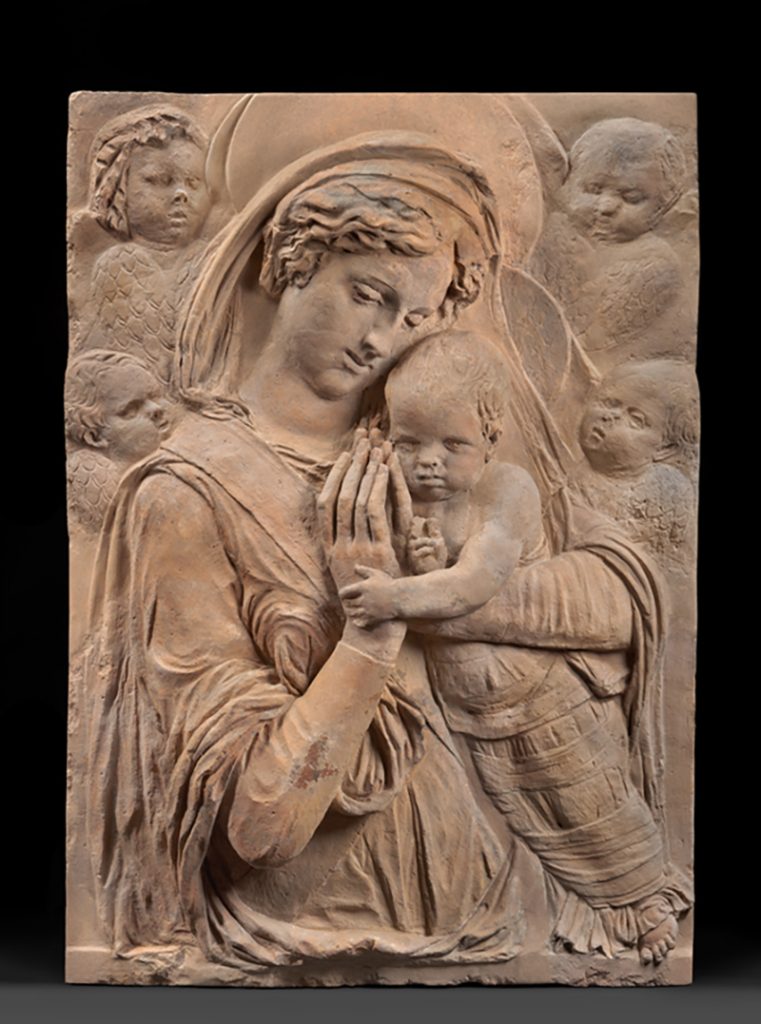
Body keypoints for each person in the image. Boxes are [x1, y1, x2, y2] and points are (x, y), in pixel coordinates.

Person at [83, 132, 682, 980]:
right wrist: (371, 634)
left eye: (414, 317)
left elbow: (622, 603)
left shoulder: (432, 441)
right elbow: (258, 825)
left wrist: (437, 597)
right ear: (288, 264)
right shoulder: (188, 491)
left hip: (485, 902)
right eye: (367, 294)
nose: (380, 339)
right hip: (300, 924)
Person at [341, 333, 691, 964]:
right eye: (409, 443)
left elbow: (476, 583)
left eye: (453, 445)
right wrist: (424, 565)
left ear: (491, 438)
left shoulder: (507, 490)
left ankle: (645, 900)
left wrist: (397, 598)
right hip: (477, 715)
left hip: (542, 696)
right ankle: (588, 909)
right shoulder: (402, 497)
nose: (428, 462)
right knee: (532, 814)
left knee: (590, 797)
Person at [529, 118, 688, 370]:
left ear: (663, 206)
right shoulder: (548, 230)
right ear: (569, 183)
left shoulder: (655, 264)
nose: (606, 206)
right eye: (593, 189)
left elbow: (589, 336)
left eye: (631, 197)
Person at [80, 107, 212, 385]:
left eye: (193, 182)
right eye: (160, 180)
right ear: (119, 187)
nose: (181, 194)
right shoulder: (118, 265)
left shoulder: (213, 261)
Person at [573, 359, 698, 569]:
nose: (610, 417)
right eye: (609, 403)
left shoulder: (667, 493)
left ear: (664, 449)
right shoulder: (563, 472)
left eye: (636, 419)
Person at [65, 350, 170, 533]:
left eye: (153, 397)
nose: (156, 409)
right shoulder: (98, 477)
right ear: (95, 437)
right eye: (131, 410)